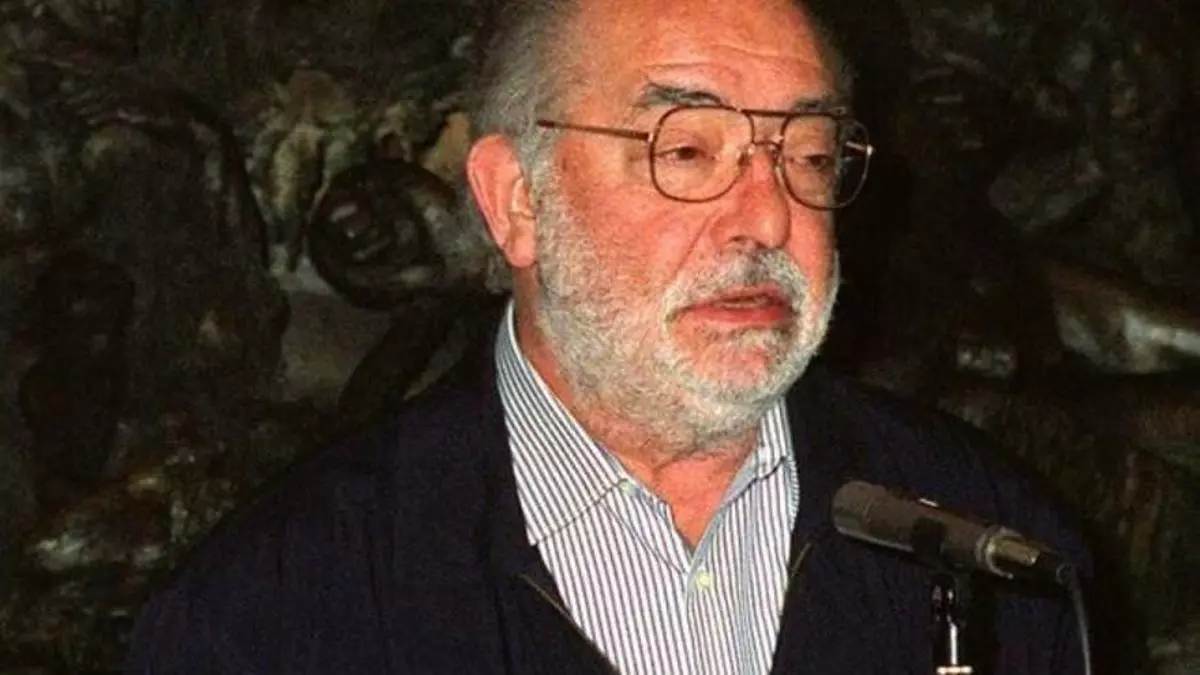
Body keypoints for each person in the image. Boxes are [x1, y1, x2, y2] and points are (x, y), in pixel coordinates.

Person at [127, 0, 1092, 672]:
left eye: (807, 155)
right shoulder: (279, 607)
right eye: (687, 151)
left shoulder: (988, 547)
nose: (769, 217)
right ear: (517, 200)